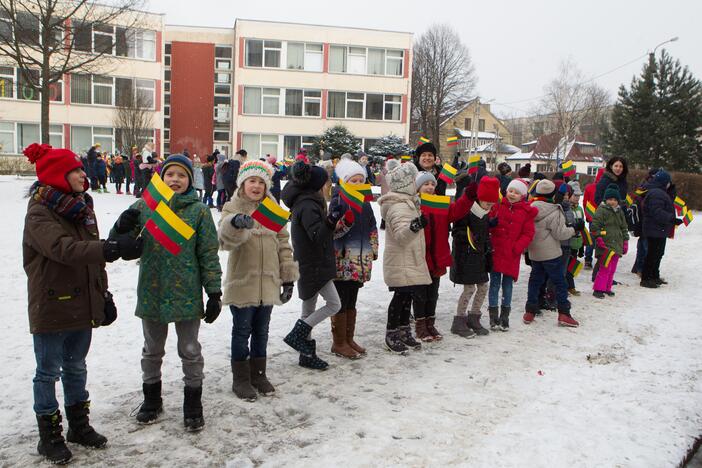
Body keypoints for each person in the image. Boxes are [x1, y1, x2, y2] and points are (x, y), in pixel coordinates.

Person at [22, 143, 141, 464]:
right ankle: (49, 437)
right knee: (48, 372)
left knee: (76, 366)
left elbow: (91, 262)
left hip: (82, 302)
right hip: (52, 304)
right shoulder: (39, 212)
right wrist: (110, 248)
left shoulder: (81, 207)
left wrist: (104, 295)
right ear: (57, 175)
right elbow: (64, 249)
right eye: (75, 170)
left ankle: (78, 426)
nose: (82, 173)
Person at [111, 154, 222, 432]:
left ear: (190, 180)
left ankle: (193, 404)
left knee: (190, 350)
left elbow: (208, 253)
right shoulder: (145, 207)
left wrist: (214, 292)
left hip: (186, 292)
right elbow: (118, 245)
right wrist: (121, 226)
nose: (175, 179)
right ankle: (151, 399)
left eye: (181, 175)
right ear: (161, 178)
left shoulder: (199, 211)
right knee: (152, 350)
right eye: (170, 174)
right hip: (153, 289)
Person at [219, 160, 298, 400]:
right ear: (242, 184)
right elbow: (224, 240)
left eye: (261, 182)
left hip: (268, 283)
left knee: (262, 331)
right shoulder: (233, 207)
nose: (256, 186)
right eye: (252, 181)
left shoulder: (273, 210)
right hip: (243, 283)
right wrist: (235, 225)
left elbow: (283, 244)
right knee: (241, 331)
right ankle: (241, 379)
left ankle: (259, 374)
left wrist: (287, 279)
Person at [281, 161, 341, 370]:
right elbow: (317, 235)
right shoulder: (308, 205)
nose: (328, 185)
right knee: (334, 304)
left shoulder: (306, 201)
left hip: (309, 262)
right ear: (317, 185)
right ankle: (298, 334)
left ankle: (306, 354)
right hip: (314, 263)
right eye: (326, 182)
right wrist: (332, 219)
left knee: (308, 309)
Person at [413, 170, 474, 341]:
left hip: (438, 256)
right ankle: (420, 325)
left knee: (433, 293)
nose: (430, 187)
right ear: (417, 188)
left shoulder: (440, 203)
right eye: (426, 184)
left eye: (432, 184)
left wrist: (468, 196)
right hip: (420, 257)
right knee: (420, 294)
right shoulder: (414, 204)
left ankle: (430, 323)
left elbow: (457, 211)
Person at [378, 160, 430, 354]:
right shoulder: (398, 206)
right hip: (401, 261)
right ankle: (391, 333)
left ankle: (404, 331)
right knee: (400, 297)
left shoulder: (408, 202)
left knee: (407, 296)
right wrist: (416, 225)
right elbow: (401, 236)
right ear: (406, 183)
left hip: (409, 260)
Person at [328, 159, 378, 358]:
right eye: (353, 181)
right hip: (343, 260)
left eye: (360, 180)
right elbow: (333, 232)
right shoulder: (338, 201)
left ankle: (349, 338)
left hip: (361, 260)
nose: (358, 184)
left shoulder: (365, 205)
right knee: (341, 299)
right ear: (344, 183)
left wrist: (373, 249)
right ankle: (338, 342)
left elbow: (373, 228)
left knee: (352, 300)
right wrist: (344, 223)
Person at [523, 179, 583, 327]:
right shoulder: (554, 210)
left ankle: (530, 311)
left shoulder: (530, 208)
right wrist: (575, 229)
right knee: (560, 283)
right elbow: (560, 234)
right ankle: (564, 313)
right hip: (551, 254)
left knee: (535, 281)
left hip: (535, 253)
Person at [450, 176, 500, 337]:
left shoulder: (485, 213)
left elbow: (485, 235)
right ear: (479, 199)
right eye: (487, 203)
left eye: (492, 204)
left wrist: (488, 250)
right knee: (469, 289)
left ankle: (474, 317)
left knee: (483, 286)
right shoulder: (467, 210)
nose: (489, 207)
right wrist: (470, 237)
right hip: (466, 257)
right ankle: (459, 320)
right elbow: (457, 231)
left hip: (479, 258)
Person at [487, 178, 536, 331]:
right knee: (494, 284)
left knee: (507, 285)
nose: (512, 194)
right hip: (496, 251)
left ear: (522, 195)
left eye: (516, 192)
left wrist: (517, 247)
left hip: (511, 254)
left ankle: (505, 316)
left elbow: (528, 233)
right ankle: (493, 315)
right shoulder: (497, 207)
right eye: (510, 191)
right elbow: (488, 223)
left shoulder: (526, 212)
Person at [640, 169, 681, 288]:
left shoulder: (659, 192)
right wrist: (671, 219)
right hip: (654, 229)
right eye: (669, 182)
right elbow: (656, 212)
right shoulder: (657, 193)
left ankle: (653, 276)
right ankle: (646, 278)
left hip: (659, 229)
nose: (670, 184)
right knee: (653, 254)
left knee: (657, 253)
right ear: (664, 182)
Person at [591, 184, 629, 298]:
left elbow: (624, 227)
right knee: (604, 268)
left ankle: (607, 288)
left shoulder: (619, 212)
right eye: (610, 199)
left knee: (612, 269)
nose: (612, 202)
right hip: (606, 245)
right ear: (605, 199)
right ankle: (598, 288)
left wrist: (625, 241)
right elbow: (595, 226)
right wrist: (598, 237)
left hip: (617, 244)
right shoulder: (601, 210)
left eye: (615, 200)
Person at [582, 168, 604, 269]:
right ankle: (601, 259)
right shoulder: (607, 188)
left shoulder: (589, 187)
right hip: (603, 218)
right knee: (603, 237)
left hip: (593, 217)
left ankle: (588, 260)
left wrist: (587, 216)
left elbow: (585, 203)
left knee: (591, 238)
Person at [566, 181, 585, 295]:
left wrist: (582, 245)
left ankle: (570, 286)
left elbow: (583, 228)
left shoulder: (579, 209)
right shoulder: (567, 209)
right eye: (575, 195)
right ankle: (569, 286)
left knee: (573, 265)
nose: (577, 198)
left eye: (578, 195)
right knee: (566, 266)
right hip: (568, 241)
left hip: (577, 242)